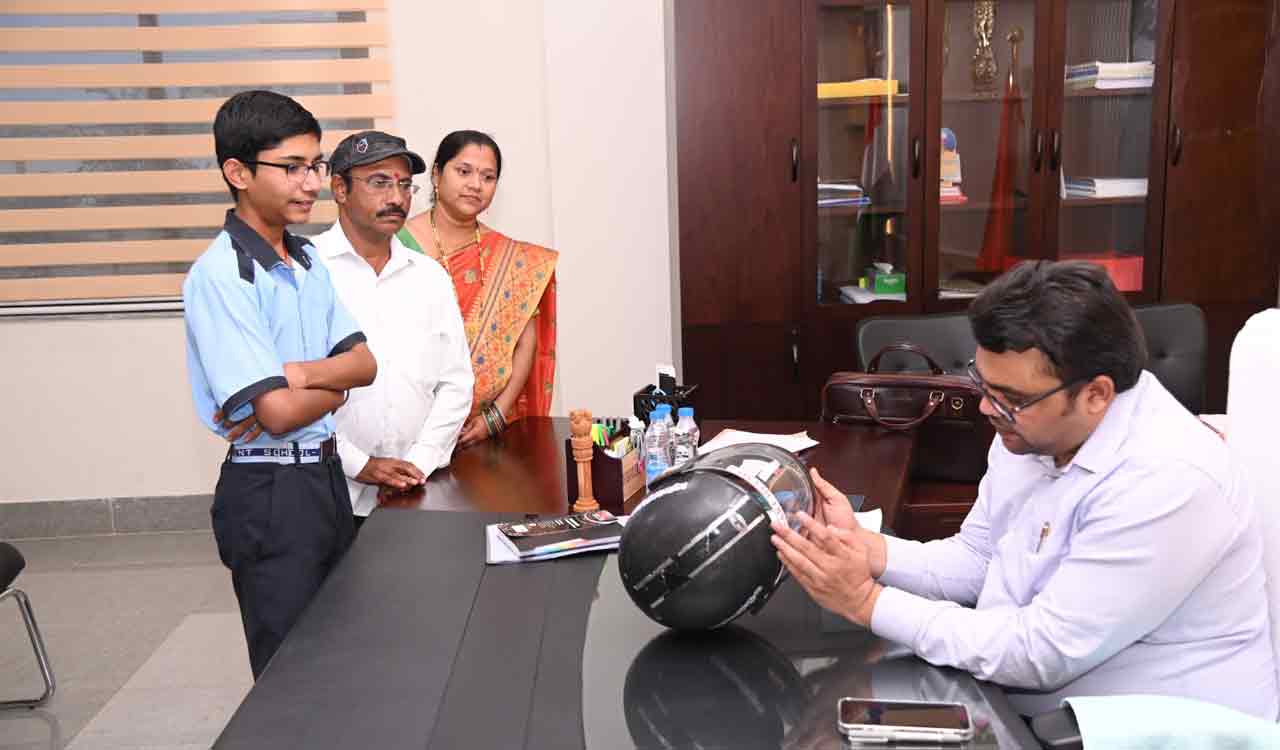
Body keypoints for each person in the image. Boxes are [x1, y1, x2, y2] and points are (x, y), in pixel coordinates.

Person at [771, 260, 1278, 719]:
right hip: (1029, 697)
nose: (988, 409)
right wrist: (869, 549)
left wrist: (866, 601)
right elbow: (980, 562)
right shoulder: (1032, 429)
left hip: (1143, 725)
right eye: (983, 383)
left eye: (1009, 397)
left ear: (1096, 394)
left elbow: (1041, 653)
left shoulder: (1169, 479)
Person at [183, 90, 377, 679]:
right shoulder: (221, 274)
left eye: (315, 165)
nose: (311, 182)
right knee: (288, 674)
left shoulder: (307, 261)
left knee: (339, 655)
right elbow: (277, 415)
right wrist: (329, 385)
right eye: (291, 167)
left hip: (322, 475)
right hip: (268, 488)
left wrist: (297, 375)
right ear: (237, 172)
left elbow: (364, 365)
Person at [310, 131, 473, 528]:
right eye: (380, 183)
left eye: (404, 185)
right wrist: (359, 464)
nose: (397, 198)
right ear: (340, 189)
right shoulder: (307, 270)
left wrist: (417, 463)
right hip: (328, 492)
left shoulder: (429, 277)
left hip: (419, 492)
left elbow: (456, 382)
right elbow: (294, 386)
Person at [397, 130, 556, 448]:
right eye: (463, 171)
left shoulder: (513, 259)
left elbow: (525, 342)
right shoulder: (397, 244)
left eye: (488, 177)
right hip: (410, 428)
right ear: (437, 174)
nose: (475, 185)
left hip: (485, 432)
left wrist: (496, 415)